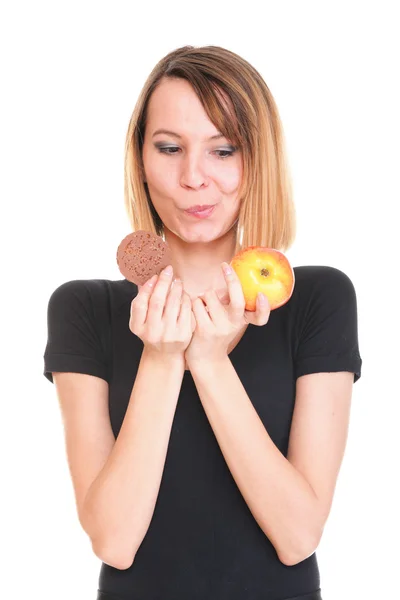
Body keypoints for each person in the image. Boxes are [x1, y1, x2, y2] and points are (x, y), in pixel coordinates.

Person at [43, 45, 362, 600]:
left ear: (257, 159)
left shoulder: (319, 300)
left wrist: (210, 360)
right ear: (140, 159)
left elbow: (298, 535)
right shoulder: (83, 310)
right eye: (169, 148)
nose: (193, 177)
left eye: (223, 150)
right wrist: (162, 357)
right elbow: (115, 541)